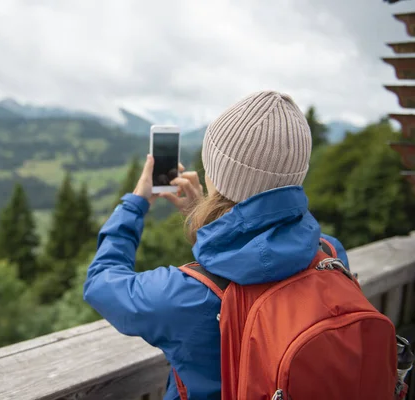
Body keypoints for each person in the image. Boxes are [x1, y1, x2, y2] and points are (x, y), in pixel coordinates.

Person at [83, 91, 349, 399]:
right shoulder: (330, 253)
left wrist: (135, 203)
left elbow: (101, 281)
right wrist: (209, 223)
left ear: (215, 175)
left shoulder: (184, 295)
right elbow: (262, 256)